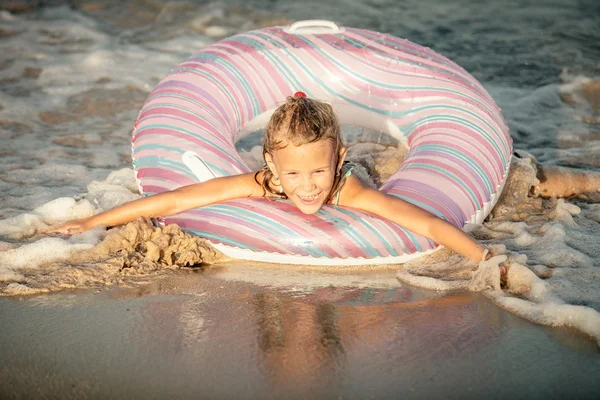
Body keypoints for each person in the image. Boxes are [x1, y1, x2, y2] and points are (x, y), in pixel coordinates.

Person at [50, 92, 495, 265]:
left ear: (340, 160)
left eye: (319, 170)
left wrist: (485, 259)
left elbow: (424, 222)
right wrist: (92, 222)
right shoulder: (266, 180)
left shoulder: (347, 188)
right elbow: (182, 198)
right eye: (295, 173)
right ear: (271, 164)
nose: (307, 186)